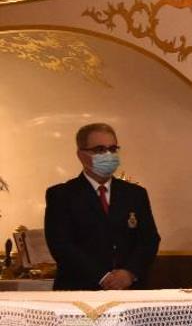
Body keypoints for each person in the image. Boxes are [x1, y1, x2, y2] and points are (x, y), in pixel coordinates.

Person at [45, 122, 160, 291]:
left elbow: (149, 240)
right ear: (81, 155)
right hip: (80, 289)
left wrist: (129, 273)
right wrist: (102, 277)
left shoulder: (135, 194)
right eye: (99, 150)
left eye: (113, 149)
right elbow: (61, 244)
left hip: (129, 291)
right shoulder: (62, 195)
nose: (108, 155)